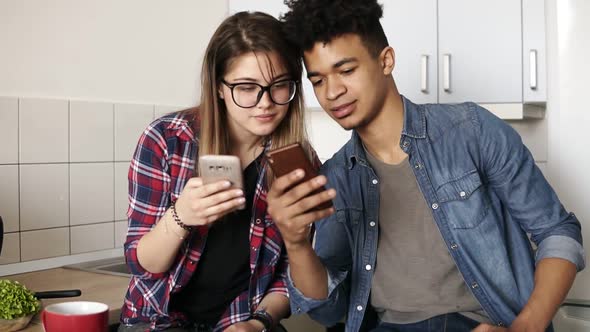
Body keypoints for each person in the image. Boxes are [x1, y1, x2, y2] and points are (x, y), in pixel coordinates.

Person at [266, 0, 586, 331]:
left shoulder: (471, 130)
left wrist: (525, 327)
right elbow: (329, 311)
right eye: (318, 81)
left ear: (386, 60)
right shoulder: (335, 178)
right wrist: (297, 242)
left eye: (346, 70)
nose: (332, 92)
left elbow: (558, 232)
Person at [119, 11, 318, 332]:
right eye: (246, 87)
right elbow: (144, 266)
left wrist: (259, 322)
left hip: (244, 321)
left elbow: (289, 276)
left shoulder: (296, 160)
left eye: (279, 85)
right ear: (219, 87)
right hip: (157, 322)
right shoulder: (167, 140)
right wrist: (181, 215)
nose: (264, 103)